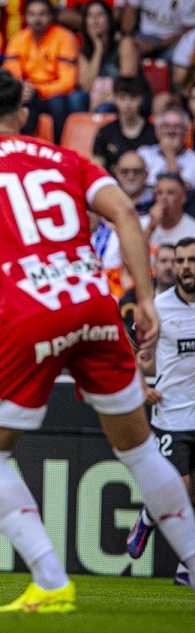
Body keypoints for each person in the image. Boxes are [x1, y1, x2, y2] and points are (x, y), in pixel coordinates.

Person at [0, 67, 195, 611]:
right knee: (138, 449)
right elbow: (125, 216)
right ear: (23, 117)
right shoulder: (67, 158)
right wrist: (142, 296)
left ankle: (49, 579)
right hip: (94, 304)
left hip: (34, 313)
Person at [129, 236, 195, 587]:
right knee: (179, 492)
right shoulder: (160, 307)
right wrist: (142, 386)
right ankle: (149, 513)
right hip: (172, 414)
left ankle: (186, 569)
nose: (185, 267)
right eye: (181, 261)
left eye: (192, 260)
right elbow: (134, 349)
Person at [1, 0, 78, 142]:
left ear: (51, 16)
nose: (37, 19)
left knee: (58, 103)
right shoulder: (18, 39)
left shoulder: (65, 37)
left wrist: (37, 89)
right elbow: (11, 74)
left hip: (53, 94)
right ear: (25, 17)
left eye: (42, 14)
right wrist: (22, 89)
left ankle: (59, 149)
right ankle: (15, 148)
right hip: (27, 92)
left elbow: (68, 82)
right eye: (32, 14)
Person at [92, 76, 154, 168]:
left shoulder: (154, 132)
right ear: (114, 98)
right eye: (122, 98)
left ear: (141, 99)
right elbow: (97, 168)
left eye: (133, 97)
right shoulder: (104, 132)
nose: (127, 104)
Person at [139, 108, 195, 186]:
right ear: (157, 131)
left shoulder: (193, 160)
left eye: (177, 126)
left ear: (186, 131)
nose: (171, 131)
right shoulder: (144, 155)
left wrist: (170, 154)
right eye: (166, 126)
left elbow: (183, 193)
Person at [144, 173, 195, 249]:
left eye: (170, 193)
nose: (164, 197)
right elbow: (129, 255)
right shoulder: (143, 223)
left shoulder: (192, 230)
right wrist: (151, 227)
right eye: (159, 193)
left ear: (182, 198)